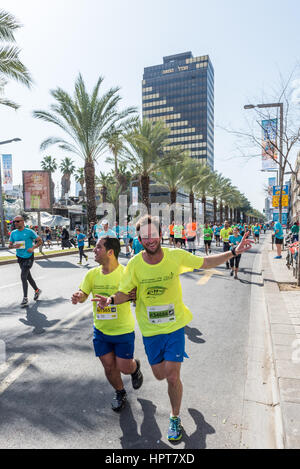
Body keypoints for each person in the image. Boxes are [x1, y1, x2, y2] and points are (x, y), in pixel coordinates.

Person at [93, 215, 253, 441]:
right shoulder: (135, 265)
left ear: (161, 234)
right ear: (139, 239)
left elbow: (205, 262)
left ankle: (175, 418)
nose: (150, 240)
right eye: (145, 236)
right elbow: (124, 293)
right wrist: (110, 300)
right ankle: (196, 422)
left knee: (172, 376)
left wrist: (233, 252)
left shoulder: (175, 256)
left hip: (175, 326)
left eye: (154, 234)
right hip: (150, 330)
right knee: (159, 374)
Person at [71, 236, 143, 411]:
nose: (94, 250)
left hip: (122, 330)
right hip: (101, 331)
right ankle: (120, 392)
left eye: (98, 247)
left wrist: (126, 297)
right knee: (109, 367)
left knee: (124, 367)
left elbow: (134, 295)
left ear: (110, 252)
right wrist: (79, 296)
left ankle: (134, 368)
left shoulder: (126, 274)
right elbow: (84, 292)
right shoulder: (92, 274)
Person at [9, 216, 43, 307]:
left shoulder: (29, 232)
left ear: (22, 222)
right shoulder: (13, 233)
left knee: (23, 276)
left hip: (29, 257)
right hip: (20, 257)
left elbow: (40, 241)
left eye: (17, 221)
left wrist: (33, 248)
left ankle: (25, 298)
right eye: (14, 222)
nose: (15, 223)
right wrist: (13, 246)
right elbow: (10, 245)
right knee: (28, 277)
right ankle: (37, 290)